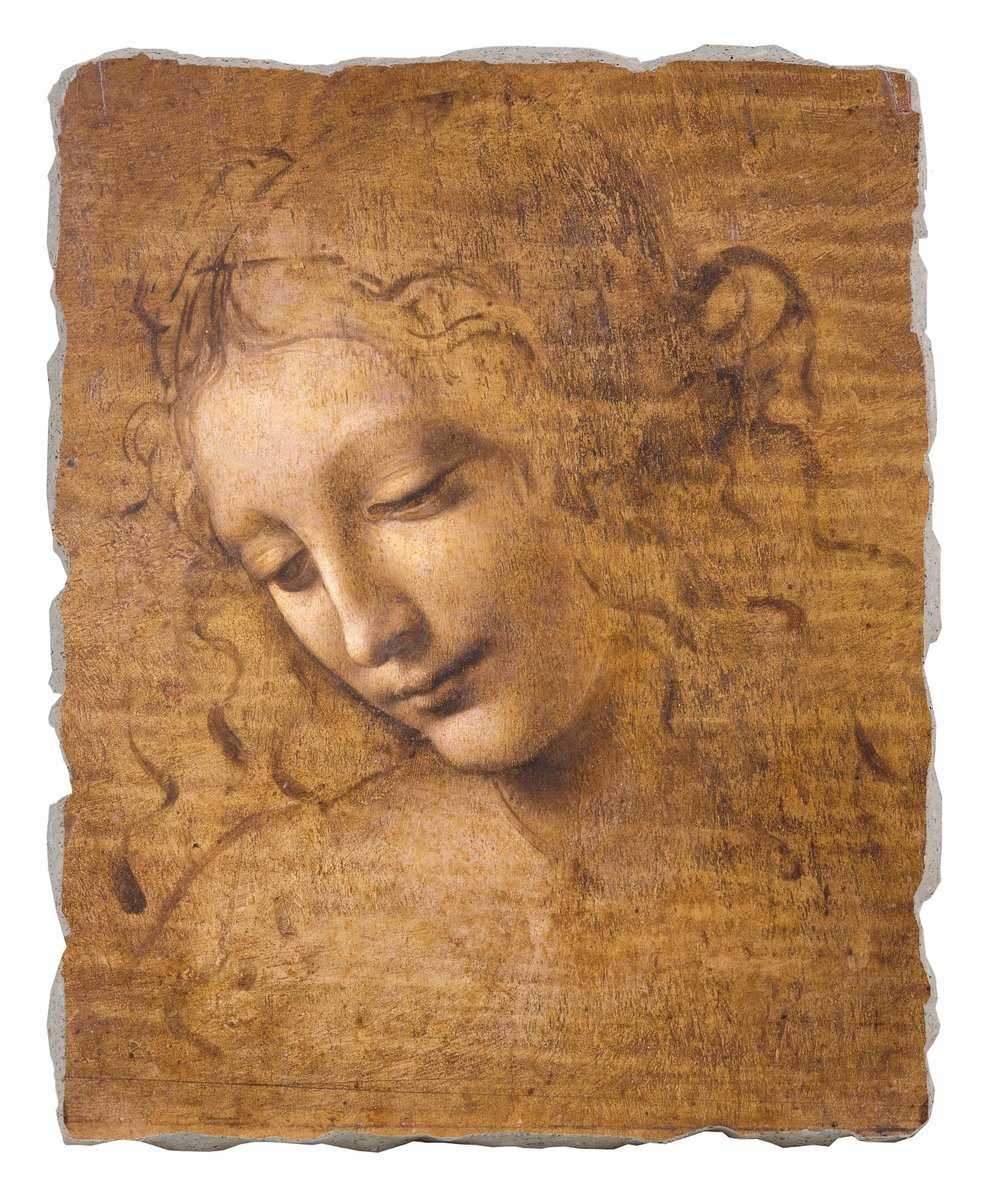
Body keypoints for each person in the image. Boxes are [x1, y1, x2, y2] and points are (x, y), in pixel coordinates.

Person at [104, 88, 923, 1133]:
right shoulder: (265, 935)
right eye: (285, 568)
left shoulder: (869, 851)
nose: (366, 630)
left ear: (604, 426)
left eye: (408, 497)